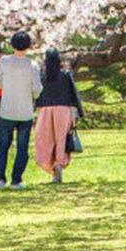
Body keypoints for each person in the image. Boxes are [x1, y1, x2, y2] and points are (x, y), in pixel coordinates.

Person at [0, 31, 42, 190]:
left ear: (12, 45)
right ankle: (16, 179)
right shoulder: (32, 65)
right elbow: (36, 89)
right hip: (25, 111)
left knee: (3, 146)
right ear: (28, 46)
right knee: (22, 147)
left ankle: (0, 179)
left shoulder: (4, 61)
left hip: (7, 109)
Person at [35, 48, 85, 183]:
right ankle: (59, 163)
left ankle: (50, 166)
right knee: (61, 139)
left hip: (46, 110)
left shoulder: (42, 75)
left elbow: (36, 94)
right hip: (64, 110)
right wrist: (78, 113)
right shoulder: (65, 74)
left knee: (45, 139)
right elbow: (73, 94)